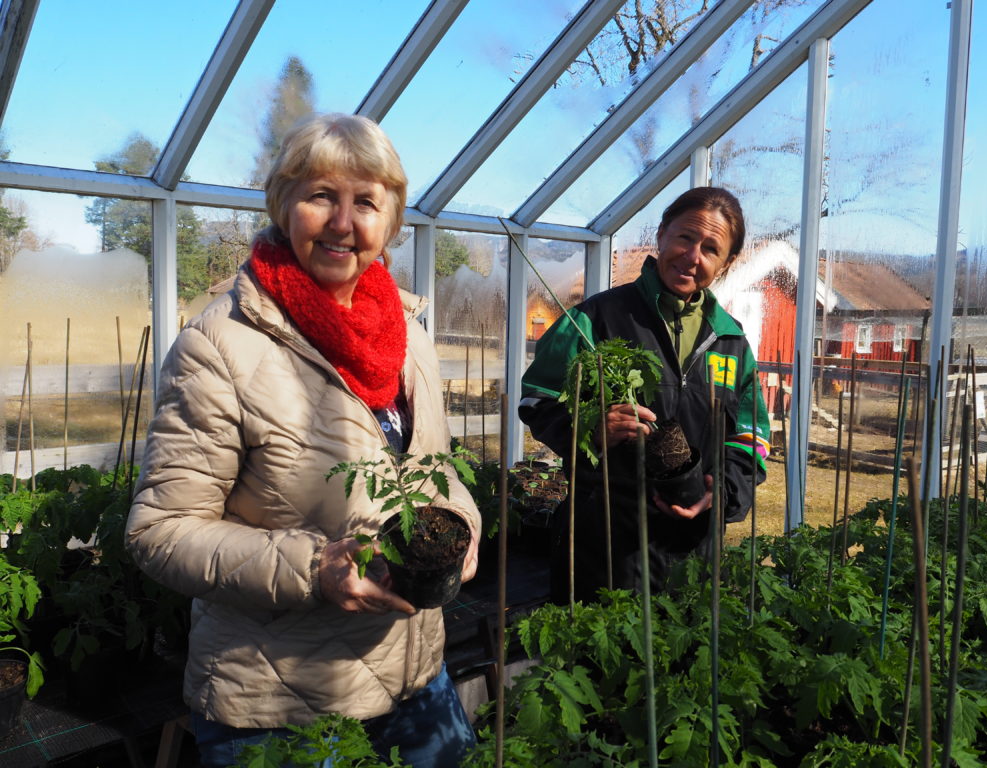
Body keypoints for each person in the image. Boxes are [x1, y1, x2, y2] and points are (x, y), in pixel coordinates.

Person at [126, 113, 481, 767]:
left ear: (391, 222)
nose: (344, 222)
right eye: (322, 196)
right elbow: (160, 531)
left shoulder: (410, 337)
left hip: (414, 674)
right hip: (277, 703)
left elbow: (432, 467)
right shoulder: (219, 346)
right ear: (283, 204)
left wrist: (460, 518)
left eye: (366, 202)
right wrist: (313, 570)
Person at [519, 186, 769, 603]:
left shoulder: (731, 341)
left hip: (694, 552)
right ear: (663, 234)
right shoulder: (594, 319)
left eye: (711, 249)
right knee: (600, 660)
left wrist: (719, 491)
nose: (693, 256)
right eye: (686, 237)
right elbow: (538, 399)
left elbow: (752, 436)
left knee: (683, 658)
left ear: (726, 264)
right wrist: (590, 427)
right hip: (605, 544)